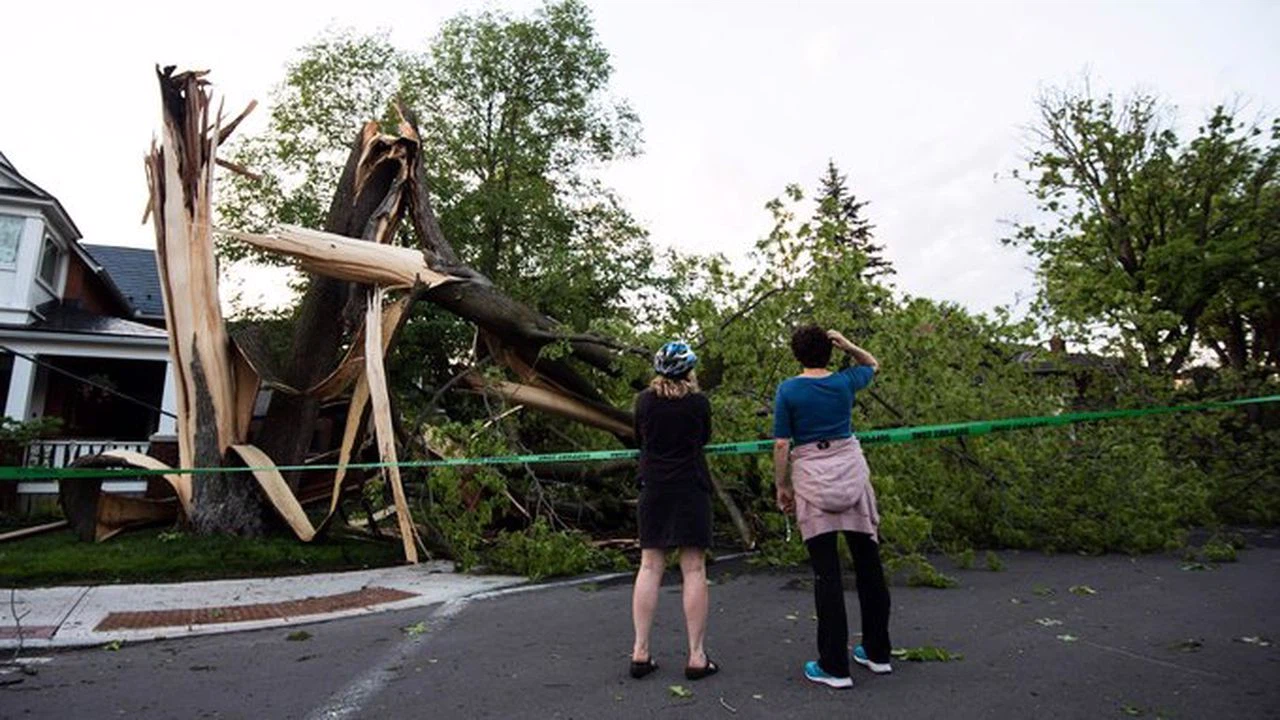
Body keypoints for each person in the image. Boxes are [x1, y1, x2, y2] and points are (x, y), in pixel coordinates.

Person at [773, 325, 892, 689]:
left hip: (812, 477)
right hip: (851, 475)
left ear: (796, 354)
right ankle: (877, 653)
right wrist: (849, 344)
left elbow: (781, 443)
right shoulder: (843, 382)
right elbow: (872, 365)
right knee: (868, 565)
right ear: (829, 350)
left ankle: (834, 666)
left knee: (827, 575)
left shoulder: (789, 390)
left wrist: (782, 485)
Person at [629, 340, 719, 681]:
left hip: (653, 487)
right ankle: (696, 656)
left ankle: (640, 651)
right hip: (690, 487)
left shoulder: (644, 402)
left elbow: (640, 439)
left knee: (650, 565)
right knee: (693, 568)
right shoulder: (698, 404)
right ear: (689, 371)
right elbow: (704, 439)